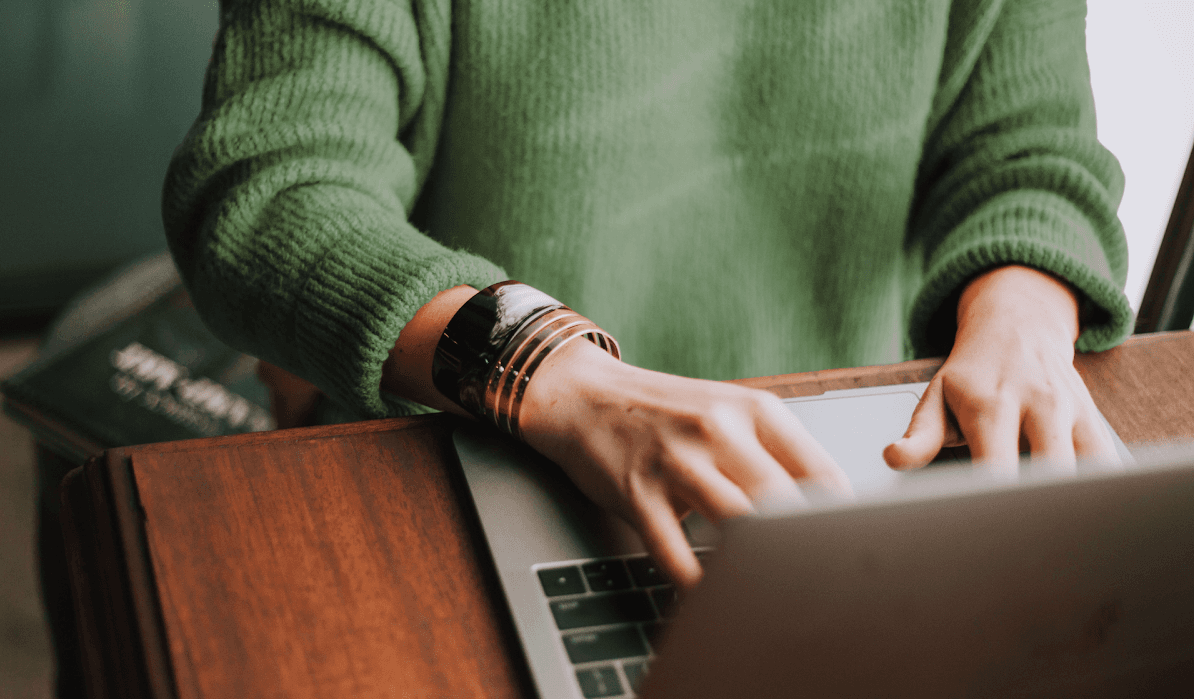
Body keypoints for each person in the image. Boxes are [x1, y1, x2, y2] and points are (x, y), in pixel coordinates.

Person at [163, 0, 1132, 590]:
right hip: (463, 455)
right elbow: (270, 188)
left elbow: (1029, 156)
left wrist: (1023, 314)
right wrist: (546, 370)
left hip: (838, 483)